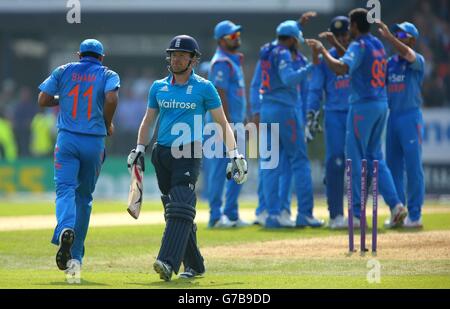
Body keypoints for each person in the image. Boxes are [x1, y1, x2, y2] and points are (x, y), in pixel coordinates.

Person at [127, 35, 247, 281]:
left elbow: (222, 122)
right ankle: (195, 265)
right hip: (161, 153)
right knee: (176, 211)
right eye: (174, 54)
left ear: (193, 60)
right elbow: (148, 120)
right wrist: (139, 148)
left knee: (180, 204)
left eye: (182, 55)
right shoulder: (158, 87)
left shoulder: (205, 87)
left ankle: (167, 262)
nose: (177, 59)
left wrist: (235, 154)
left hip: (189, 151)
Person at [306, 8, 407, 228]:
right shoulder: (377, 45)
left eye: (349, 26)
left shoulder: (357, 46)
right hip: (381, 105)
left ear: (354, 26)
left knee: (354, 161)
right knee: (374, 159)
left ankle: (357, 215)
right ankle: (396, 204)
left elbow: (343, 67)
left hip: (362, 107)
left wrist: (323, 51)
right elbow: (356, 61)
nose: (346, 32)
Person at [38, 39, 120, 283]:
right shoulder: (108, 74)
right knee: (84, 199)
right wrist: (106, 123)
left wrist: (60, 100)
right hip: (93, 141)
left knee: (65, 190)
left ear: (79, 54)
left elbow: (42, 99)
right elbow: (112, 100)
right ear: (101, 57)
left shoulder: (64, 70)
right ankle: (75, 261)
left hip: (66, 140)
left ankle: (65, 227)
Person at [250, 13, 317, 227]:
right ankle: (305, 214)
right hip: (286, 110)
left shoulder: (267, 50)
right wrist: (311, 67)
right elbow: (289, 79)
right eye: (295, 39)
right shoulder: (287, 54)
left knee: (270, 164)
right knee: (299, 161)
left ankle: (273, 215)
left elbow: (283, 36)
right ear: (291, 40)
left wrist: (296, 25)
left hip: (268, 109)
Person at [377, 21, 426, 228]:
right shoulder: (390, 63)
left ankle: (415, 214)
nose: (397, 35)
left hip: (410, 116)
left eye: (401, 34)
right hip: (393, 117)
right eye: (395, 33)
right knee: (393, 167)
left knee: (413, 167)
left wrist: (389, 37)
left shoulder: (417, 61)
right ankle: (398, 214)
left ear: (412, 39)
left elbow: (407, 53)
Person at [306, 16, 352, 229]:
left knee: (362, 163)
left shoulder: (359, 52)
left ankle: (358, 214)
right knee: (335, 162)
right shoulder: (327, 59)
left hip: (357, 113)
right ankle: (336, 215)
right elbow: (316, 86)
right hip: (334, 114)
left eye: (346, 34)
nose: (343, 38)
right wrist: (311, 111)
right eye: (339, 35)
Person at [205, 20, 249, 228]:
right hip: (221, 126)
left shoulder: (232, 60)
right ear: (221, 40)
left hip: (235, 123)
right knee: (219, 169)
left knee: (238, 167)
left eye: (237, 35)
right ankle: (215, 216)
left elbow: (237, 96)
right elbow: (219, 94)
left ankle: (231, 214)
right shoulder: (221, 62)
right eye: (232, 36)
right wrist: (228, 124)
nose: (237, 38)